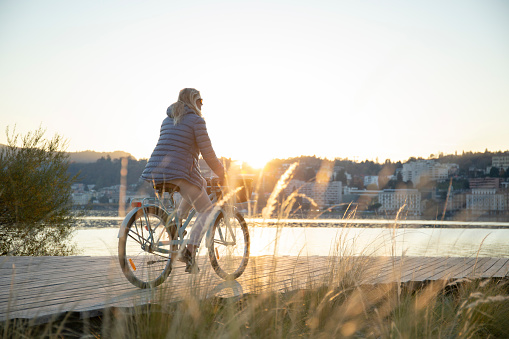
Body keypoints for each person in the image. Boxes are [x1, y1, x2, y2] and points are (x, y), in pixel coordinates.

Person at [141, 88, 225, 273]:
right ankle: (189, 250)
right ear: (194, 102)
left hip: (156, 173)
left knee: (200, 184)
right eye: (200, 101)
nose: (202, 105)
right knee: (207, 211)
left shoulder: (167, 119)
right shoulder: (197, 121)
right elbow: (208, 153)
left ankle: (176, 223)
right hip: (179, 174)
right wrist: (221, 171)